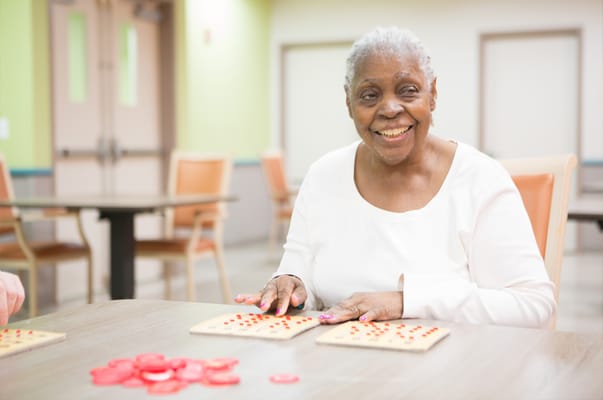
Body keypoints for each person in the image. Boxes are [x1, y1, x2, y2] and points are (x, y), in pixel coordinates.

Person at [235, 27, 555, 328]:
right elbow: (299, 272)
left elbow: (532, 305)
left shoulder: (480, 179)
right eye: (369, 95)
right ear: (349, 103)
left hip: (454, 375)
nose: (389, 108)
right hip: (337, 372)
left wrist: (406, 302)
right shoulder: (323, 176)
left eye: (408, 91)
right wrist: (290, 284)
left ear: (433, 94)